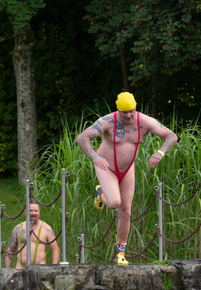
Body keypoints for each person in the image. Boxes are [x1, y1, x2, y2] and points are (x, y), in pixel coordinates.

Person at [76, 92, 178, 265]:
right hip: (106, 166)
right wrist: (95, 157)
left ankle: (120, 253)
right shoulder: (107, 121)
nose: (129, 115)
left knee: (125, 211)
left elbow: (171, 136)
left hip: (127, 169)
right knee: (115, 203)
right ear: (118, 110)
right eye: (125, 113)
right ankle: (100, 191)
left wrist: (160, 152)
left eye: (131, 111)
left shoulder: (146, 122)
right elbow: (82, 137)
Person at [4, 203, 60, 268]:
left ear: (39, 212)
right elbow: (10, 251)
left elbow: (56, 249)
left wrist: (53, 269)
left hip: (40, 271)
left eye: (35, 211)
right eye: (30, 211)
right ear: (25, 212)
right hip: (20, 270)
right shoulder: (18, 228)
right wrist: (7, 271)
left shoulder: (46, 228)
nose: (33, 213)